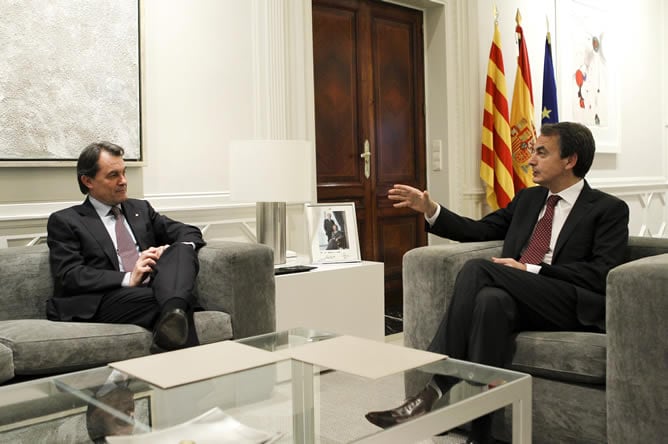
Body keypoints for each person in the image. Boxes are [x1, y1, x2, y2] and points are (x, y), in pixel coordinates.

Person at [365, 122, 629, 444]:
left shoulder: (608, 209)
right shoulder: (528, 200)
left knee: (479, 270)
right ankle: (481, 435)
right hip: (519, 296)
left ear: (570, 160)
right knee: (490, 302)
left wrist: (530, 269)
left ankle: (433, 389)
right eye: (533, 151)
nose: (530, 159)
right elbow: (479, 230)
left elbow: (601, 273)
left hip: (568, 302)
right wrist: (431, 210)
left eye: (541, 152)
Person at [47, 141, 205, 352]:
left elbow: (189, 232)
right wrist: (128, 278)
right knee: (179, 300)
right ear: (88, 181)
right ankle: (177, 312)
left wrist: (165, 251)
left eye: (124, 173)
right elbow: (70, 274)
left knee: (182, 248)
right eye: (113, 175)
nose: (123, 181)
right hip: (106, 297)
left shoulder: (140, 209)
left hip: (152, 287)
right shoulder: (66, 220)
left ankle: (172, 312)